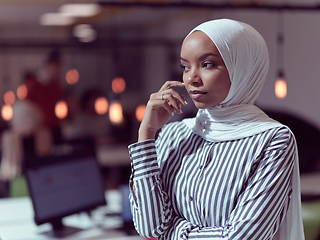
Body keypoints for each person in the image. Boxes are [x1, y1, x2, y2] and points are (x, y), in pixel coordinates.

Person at [127, 19, 305, 239]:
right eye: (185, 66)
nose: (191, 78)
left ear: (242, 68)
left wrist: (172, 231)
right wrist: (146, 135)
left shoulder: (274, 141)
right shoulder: (175, 134)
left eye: (207, 64)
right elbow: (149, 227)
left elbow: (241, 237)